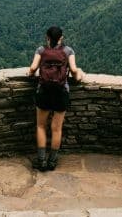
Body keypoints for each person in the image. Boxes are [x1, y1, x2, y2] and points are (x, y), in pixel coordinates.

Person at [27, 25, 84, 171]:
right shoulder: (68, 51)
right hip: (61, 92)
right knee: (56, 129)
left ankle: (41, 161)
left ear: (47, 37)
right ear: (61, 38)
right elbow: (74, 70)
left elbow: (33, 68)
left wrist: (30, 74)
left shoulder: (41, 50)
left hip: (44, 91)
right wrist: (79, 74)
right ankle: (52, 161)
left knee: (41, 126)